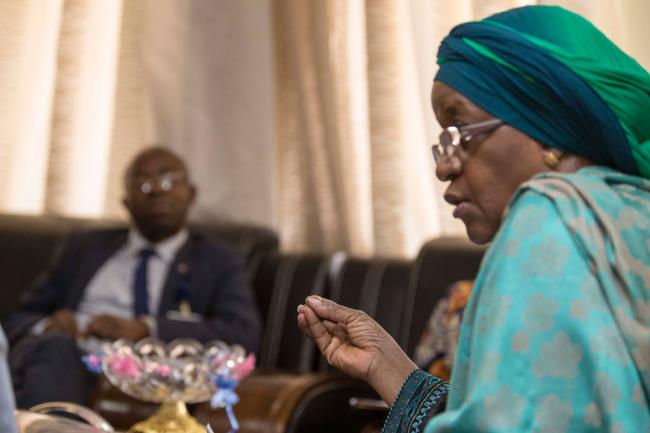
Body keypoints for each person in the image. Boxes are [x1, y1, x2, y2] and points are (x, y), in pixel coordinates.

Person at [298, 5, 650, 432]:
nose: (443, 167)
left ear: (547, 130)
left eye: (460, 130)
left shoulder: (550, 217)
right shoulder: (626, 213)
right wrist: (385, 366)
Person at [3, 146, 262, 408]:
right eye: (143, 183)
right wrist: (48, 324)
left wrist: (147, 329)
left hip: (150, 376)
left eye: (169, 180)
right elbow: (18, 318)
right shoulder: (85, 247)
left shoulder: (217, 259)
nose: (157, 190)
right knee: (53, 348)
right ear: (126, 201)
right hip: (73, 359)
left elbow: (243, 334)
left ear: (190, 193)